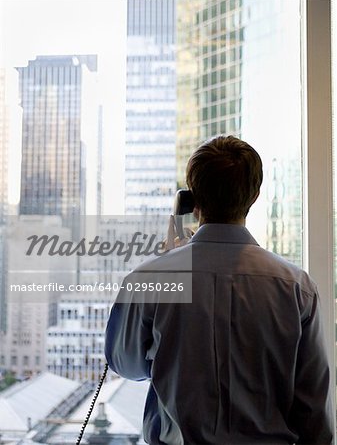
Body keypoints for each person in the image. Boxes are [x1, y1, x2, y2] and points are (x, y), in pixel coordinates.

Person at [105, 135, 333, 444]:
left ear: (191, 199)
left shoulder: (150, 280)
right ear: (254, 196)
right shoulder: (297, 288)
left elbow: (126, 364)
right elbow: (313, 409)